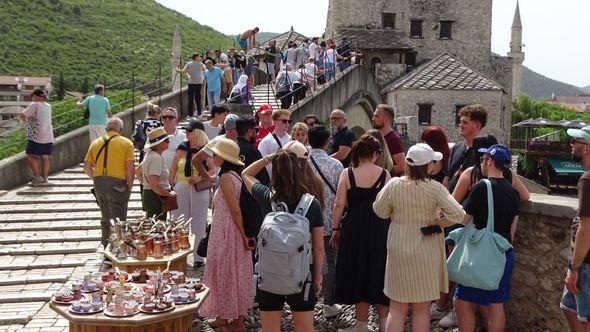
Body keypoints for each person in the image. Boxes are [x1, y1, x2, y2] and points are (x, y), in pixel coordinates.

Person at [373, 143, 466, 332]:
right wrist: (439, 221)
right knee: (421, 309)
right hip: (427, 248)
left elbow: (380, 211)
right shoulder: (435, 188)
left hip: (399, 245)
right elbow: (459, 214)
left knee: (397, 308)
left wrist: (395, 213)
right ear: (428, 166)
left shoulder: (394, 185)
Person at [242, 149, 325, 332]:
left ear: (275, 172)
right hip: (302, 275)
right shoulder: (312, 204)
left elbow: (246, 173)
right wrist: (317, 279)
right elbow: (319, 248)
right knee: (304, 329)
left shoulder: (266, 196)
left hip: (269, 274)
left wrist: (269, 158)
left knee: (270, 329)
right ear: (298, 170)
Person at [453, 145, 519, 332]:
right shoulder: (513, 192)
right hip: (504, 253)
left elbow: (464, 219)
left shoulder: (483, 186)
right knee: (495, 303)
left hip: (483, 255)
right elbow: (512, 229)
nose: (481, 163)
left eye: (483, 160)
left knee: (462, 301)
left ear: (490, 162)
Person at [330, 134, 391, 332]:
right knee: (379, 270)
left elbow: (339, 204)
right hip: (379, 226)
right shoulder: (385, 174)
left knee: (358, 271)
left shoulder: (348, 174)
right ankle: (384, 324)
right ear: (374, 153)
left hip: (354, 228)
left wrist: (335, 228)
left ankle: (361, 325)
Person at [199, 138, 253, 331]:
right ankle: (231, 316)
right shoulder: (235, 175)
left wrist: (244, 234)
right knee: (233, 273)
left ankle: (231, 318)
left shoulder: (226, 177)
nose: (212, 157)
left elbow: (235, 210)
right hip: (230, 231)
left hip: (227, 233)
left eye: (215, 154)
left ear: (224, 157)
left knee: (226, 273)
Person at [308, 125, 344, 318]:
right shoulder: (336, 165)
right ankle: (328, 304)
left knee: (304, 260)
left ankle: (305, 300)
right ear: (327, 141)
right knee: (330, 262)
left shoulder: (301, 162)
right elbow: (341, 197)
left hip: (304, 221)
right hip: (329, 220)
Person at [168, 120, 215, 267]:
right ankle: (179, 254)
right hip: (181, 186)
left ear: (197, 133)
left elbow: (213, 171)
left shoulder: (206, 150)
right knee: (179, 220)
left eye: (190, 131)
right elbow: (174, 167)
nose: (187, 133)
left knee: (199, 221)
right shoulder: (181, 148)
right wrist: (171, 186)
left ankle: (198, 256)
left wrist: (200, 177)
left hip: (199, 188)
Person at [83, 117, 135, 248]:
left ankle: (106, 244)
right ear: (121, 130)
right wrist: (129, 185)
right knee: (119, 217)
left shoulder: (95, 143)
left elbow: (87, 168)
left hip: (99, 182)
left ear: (106, 129)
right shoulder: (126, 143)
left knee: (106, 216)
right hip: (118, 183)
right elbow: (130, 167)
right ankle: (117, 248)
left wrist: (96, 178)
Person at [562, 125, 590, 331]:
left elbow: (587, 228)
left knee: (585, 319)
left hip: (586, 264)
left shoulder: (587, 180)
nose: (571, 145)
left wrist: (575, 268)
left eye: (575, 142)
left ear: (587, 148)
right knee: (568, 307)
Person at [445, 104, 488, 194]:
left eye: (465, 122)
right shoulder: (457, 148)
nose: (460, 125)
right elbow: (447, 178)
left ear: (477, 126)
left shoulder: (484, 152)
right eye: (460, 122)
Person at [138, 127, 176, 220]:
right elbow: (154, 184)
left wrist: (146, 184)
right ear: (160, 144)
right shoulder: (155, 158)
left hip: (151, 194)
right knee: (157, 227)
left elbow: (137, 170)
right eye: (166, 140)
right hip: (156, 197)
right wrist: (169, 195)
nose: (169, 142)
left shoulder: (150, 155)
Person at [19, 89, 54, 187]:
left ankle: (36, 176)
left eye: (32, 96)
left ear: (35, 96)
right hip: (49, 135)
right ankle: (45, 178)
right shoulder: (48, 106)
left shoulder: (34, 104)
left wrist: (22, 114)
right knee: (45, 156)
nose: (32, 98)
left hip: (37, 135)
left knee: (30, 154)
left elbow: (23, 115)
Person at [372, 104, 405, 175]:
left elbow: (401, 166)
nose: (373, 119)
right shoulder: (374, 136)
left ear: (386, 119)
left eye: (376, 116)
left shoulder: (394, 139)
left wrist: (379, 172)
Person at [236, 116, 270, 185]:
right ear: (250, 132)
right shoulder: (253, 151)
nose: (257, 134)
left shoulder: (232, 148)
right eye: (256, 130)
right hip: (251, 191)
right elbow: (264, 178)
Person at [258, 109, 291, 176]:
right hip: (272, 180)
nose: (287, 123)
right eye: (284, 121)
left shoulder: (291, 139)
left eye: (289, 121)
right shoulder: (266, 141)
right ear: (275, 121)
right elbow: (261, 164)